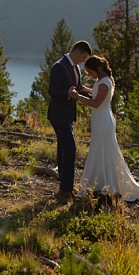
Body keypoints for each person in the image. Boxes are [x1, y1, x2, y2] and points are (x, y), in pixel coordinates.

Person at [71, 55, 139, 202]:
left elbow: (96, 103)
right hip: (101, 120)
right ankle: (101, 182)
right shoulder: (102, 80)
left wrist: (77, 96)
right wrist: (86, 89)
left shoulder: (105, 82)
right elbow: (97, 93)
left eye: (90, 72)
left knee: (104, 150)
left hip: (103, 122)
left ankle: (107, 184)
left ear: (98, 69)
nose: (90, 76)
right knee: (100, 150)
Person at [47, 40, 93, 201]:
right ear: (77, 52)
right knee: (70, 148)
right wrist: (67, 92)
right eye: (84, 58)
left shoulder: (76, 68)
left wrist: (94, 94)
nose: (83, 61)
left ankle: (64, 186)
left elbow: (78, 87)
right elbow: (52, 90)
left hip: (68, 115)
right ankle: (66, 188)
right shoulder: (59, 66)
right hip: (58, 115)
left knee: (63, 149)